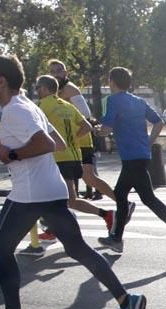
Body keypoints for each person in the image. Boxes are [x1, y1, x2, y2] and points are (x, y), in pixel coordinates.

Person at [0, 54, 145, 309]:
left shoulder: (15, 110)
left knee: (1, 249)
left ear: (1, 80)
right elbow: (59, 142)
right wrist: (9, 147)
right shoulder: (28, 106)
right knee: (78, 249)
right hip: (52, 189)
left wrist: (11, 153)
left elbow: (47, 143)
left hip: (29, 194)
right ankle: (127, 302)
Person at [95, 67, 166, 257]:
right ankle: (117, 238)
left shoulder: (113, 100)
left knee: (129, 196)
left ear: (112, 82)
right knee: (139, 197)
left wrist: (97, 130)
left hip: (131, 157)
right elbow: (159, 122)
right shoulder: (139, 101)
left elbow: (106, 128)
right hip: (141, 154)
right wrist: (148, 142)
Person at [34, 75, 115, 230]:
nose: (37, 90)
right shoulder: (68, 105)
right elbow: (87, 126)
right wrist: (71, 139)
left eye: (37, 87)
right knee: (70, 200)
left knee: (48, 196)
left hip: (57, 158)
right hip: (74, 156)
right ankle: (107, 215)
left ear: (44, 89)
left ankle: (53, 230)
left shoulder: (41, 106)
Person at [47, 59, 114, 204]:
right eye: (52, 71)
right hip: (68, 142)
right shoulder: (54, 92)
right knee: (70, 179)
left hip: (80, 140)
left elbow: (86, 113)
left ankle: (121, 202)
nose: (56, 74)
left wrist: (74, 133)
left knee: (89, 177)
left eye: (59, 70)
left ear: (65, 72)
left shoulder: (70, 89)